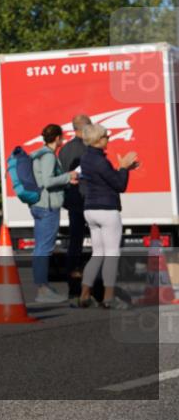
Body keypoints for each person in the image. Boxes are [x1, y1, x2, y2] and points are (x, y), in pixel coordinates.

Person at [75, 123, 139, 310]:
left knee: (97, 254)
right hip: (107, 210)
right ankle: (109, 298)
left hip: (90, 209)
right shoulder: (101, 161)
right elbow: (119, 185)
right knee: (112, 254)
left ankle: (84, 295)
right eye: (106, 136)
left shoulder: (86, 158)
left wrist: (124, 169)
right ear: (98, 139)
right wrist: (124, 168)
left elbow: (106, 179)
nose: (108, 139)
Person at [30, 124, 78, 303]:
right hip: (48, 206)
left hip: (39, 204)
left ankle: (43, 287)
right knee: (44, 248)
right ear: (57, 138)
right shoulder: (49, 156)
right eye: (62, 137)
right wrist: (69, 176)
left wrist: (65, 181)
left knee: (40, 248)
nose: (62, 139)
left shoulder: (38, 153)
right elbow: (48, 181)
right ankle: (42, 290)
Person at [58, 113, 91, 299]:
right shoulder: (88, 148)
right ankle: (94, 285)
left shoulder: (64, 150)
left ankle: (73, 286)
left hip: (72, 200)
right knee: (99, 245)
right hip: (88, 200)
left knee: (74, 244)